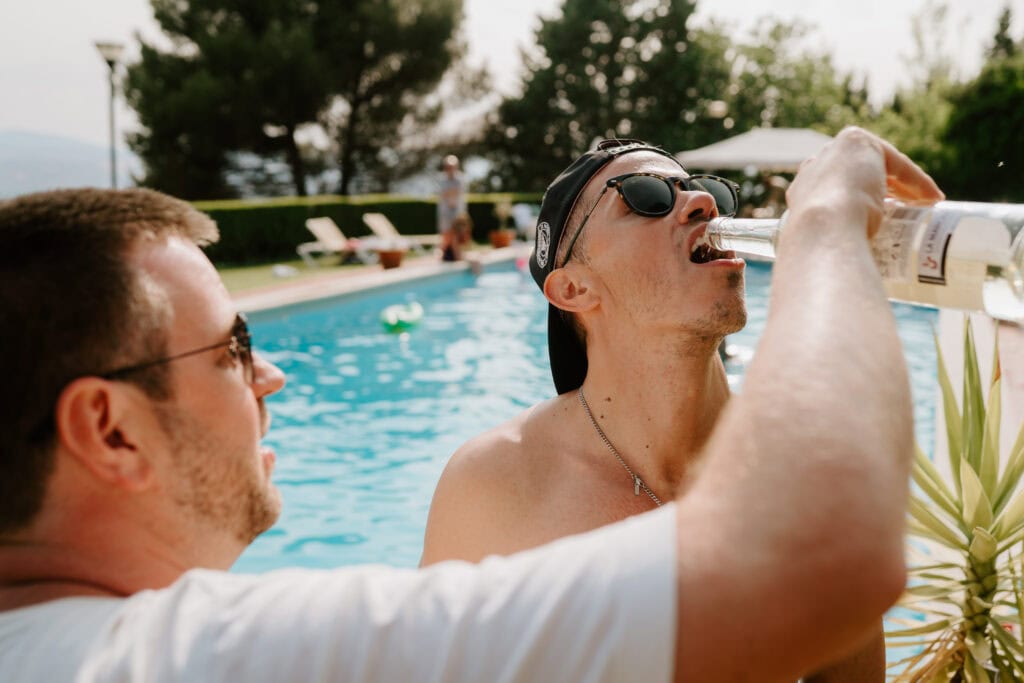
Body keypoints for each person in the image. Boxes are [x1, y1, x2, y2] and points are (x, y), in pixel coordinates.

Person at [0, 127, 940, 682]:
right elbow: (819, 554)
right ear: (110, 428)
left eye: (707, 190)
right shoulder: (211, 656)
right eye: (233, 347)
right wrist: (825, 237)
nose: (272, 376)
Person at [420, 131, 944, 680]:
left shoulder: (798, 473)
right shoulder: (494, 485)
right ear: (573, 289)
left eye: (704, 187)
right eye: (646, 196)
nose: (702, 202)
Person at [437, 154, 467, 261]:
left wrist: (449, 193)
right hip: (445, 213)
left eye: (452, 167)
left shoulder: (460, 179)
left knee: (456, 235)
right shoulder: (442, 179)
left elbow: (454, 194)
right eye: (448, 167)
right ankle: (445, 255)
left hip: (457, 213)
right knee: (446, 235)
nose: (450, 169)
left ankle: (457, 256)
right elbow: (445, 194)